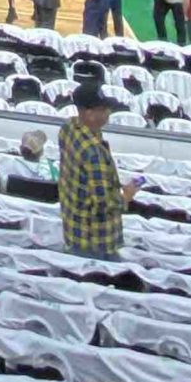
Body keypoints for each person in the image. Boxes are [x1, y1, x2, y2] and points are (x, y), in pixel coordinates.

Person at [58, 88, 141, 259]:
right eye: (102, 110)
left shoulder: (68, 128)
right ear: (88, 113)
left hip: (73, 228)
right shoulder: (94, 153)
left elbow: (86, 181)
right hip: (95, 241)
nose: (108, 113)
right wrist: (127, 195)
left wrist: (112, 184)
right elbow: (104, 205)